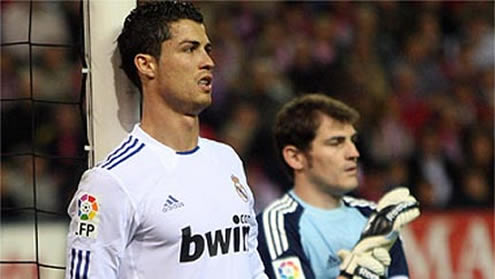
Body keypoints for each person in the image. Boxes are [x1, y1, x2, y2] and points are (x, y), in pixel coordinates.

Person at [65, 1, 267, 278]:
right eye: (189, 49)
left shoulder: (227, 159)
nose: (208, 61)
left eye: (206, 49)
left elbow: (252, 268)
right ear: (147, 65)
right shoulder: (112, 181)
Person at [257, 93, 413, 279]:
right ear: (295, 157)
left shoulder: (375, 219)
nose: (354, 153)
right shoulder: (277, 225)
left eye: (352, 141)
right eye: (336, 142)